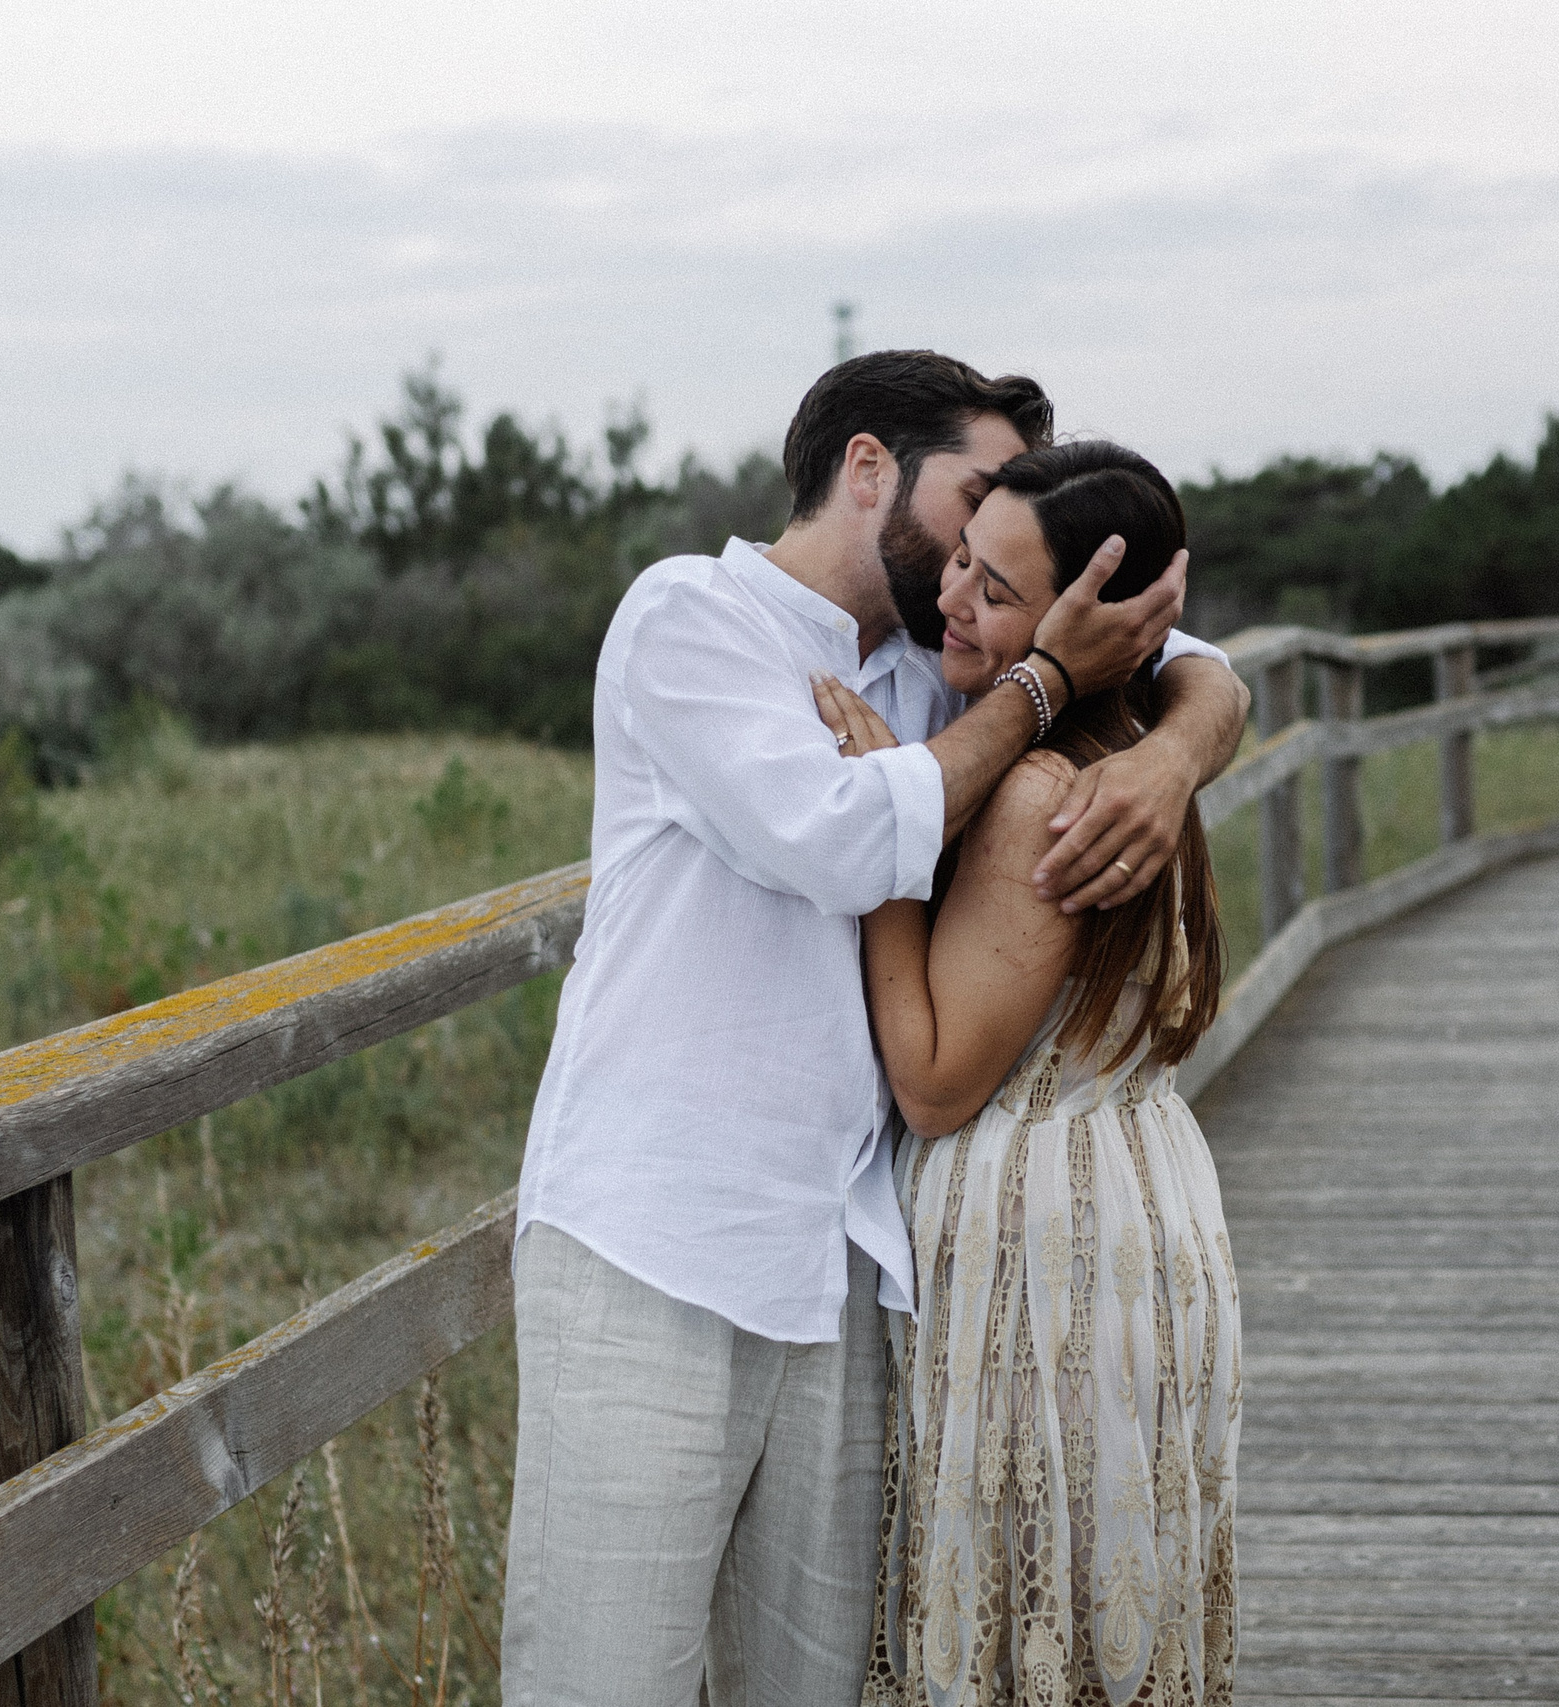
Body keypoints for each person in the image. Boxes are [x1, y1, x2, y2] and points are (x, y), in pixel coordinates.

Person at [501, 357, 1250, 1707]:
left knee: (820, 1684)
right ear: (867, 469)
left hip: (846, 1262)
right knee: (603, 1678)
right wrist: (1038, 683)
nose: (976, 553)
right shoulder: (693, 615)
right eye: (973, 498)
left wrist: (1173, 749)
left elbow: (1185, 659)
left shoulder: (932, 664)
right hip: (656, 1241)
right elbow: (845, 838)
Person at [811, 442, 1238, 1707]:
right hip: (1138, 1194)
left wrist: (884, 835)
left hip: (1042, 1245)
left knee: (1025, 1621)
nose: (950, 599)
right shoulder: (1137, 746)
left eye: (995, 593)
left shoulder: (1037, 793)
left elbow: (936, 1082)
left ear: (1089, 627)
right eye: (959, 562)